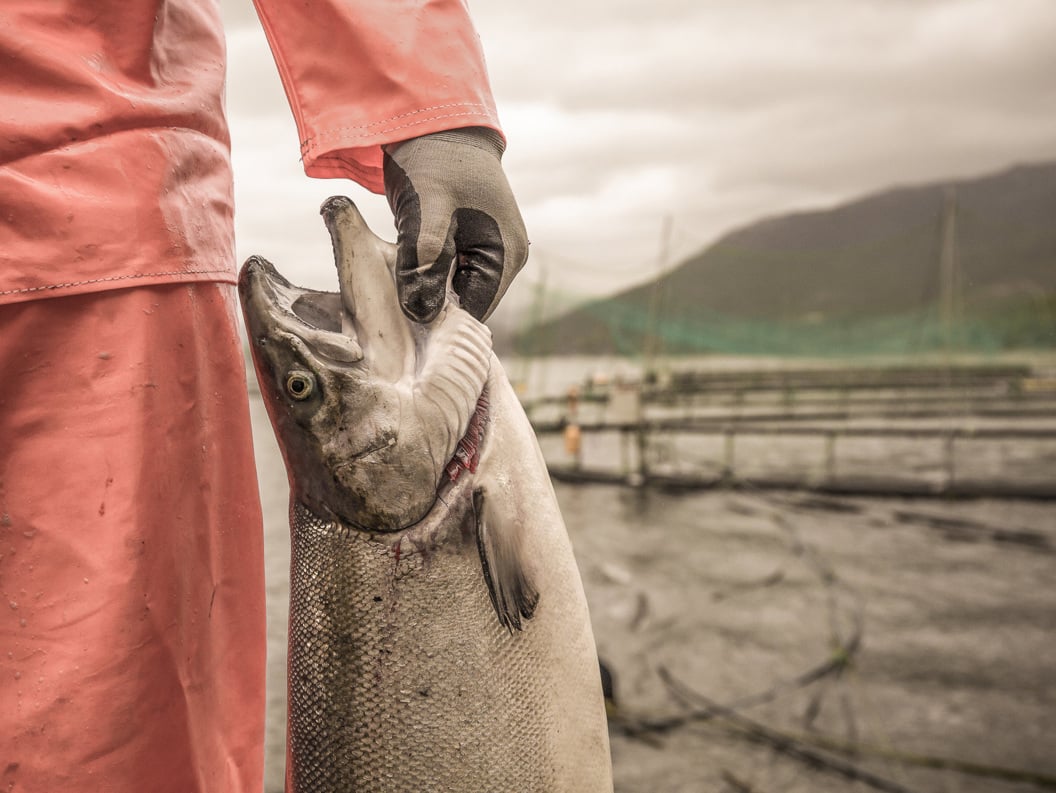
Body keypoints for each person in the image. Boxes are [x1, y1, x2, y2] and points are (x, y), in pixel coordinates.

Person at [0, 2, 527, 791]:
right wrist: (426, 97)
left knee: (106, 757)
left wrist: (428, 105)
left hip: (85, 230)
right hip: (94, 226)